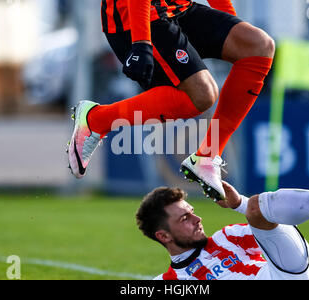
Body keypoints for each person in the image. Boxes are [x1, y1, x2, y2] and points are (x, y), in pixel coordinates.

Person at [67, 0, 274, 201]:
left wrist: (232, 25)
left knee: (258, 45)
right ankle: (96, 119)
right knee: (202, 94)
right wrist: (142, 43)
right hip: (136, 18)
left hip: (179, 9)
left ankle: (208, 157)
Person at [136, 150, 309, 280]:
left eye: (192, 212)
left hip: (295, 275)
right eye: (184, 218)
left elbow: (274, 227)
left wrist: (239, 204)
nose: (197, 220)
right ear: (163, 236)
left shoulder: (229, 236)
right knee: (257, 209)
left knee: (258, 207)